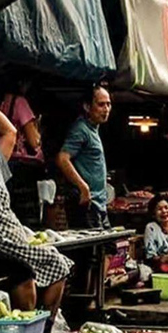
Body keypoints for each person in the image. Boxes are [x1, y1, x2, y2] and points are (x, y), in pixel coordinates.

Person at [0, 99, 72, 333]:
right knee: (25, 273)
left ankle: (43, 328)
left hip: (13, 236)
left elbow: (10, 131)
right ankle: (27, 331)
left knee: (58, 263)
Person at [56, 84, 112, 229]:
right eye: (101, 105)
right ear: (87, 107)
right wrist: (83, 187)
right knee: (89, 250)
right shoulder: (81, 129)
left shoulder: (94, 129)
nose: (106, 109)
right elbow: (62, 158)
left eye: (108, 104)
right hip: (88, 204)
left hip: (99, 204)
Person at [0, 79, 43, 167]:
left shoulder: (1, 101)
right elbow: (34, 141)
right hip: (19, 160)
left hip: (0, 155)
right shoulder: (19, 102)